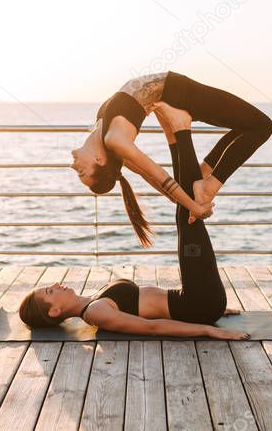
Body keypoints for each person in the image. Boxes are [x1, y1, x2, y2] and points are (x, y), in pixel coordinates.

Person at [20, 104, 249, 339]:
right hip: (198, 305)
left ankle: (207, 130)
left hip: (199, 303)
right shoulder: (95, 313)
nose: (56, 284)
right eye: (50, 291)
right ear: (55, 310)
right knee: (187, 205)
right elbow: (151, 327)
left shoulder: (94, 300)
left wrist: (212, 311)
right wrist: (207, 328)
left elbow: (159, 311)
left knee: (186, 205)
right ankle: (184, 128)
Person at [70, 70, 272, 246]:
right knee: (263, 126)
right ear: (98, 160)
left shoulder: (103, 131)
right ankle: (209, 185)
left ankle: (204, 174)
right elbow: (157, 174)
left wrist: (180, 198)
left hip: (174, 93)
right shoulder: (116, 140)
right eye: (81, 171)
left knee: (248, 127)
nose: (73, 166)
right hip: (180, 92)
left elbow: (153, 179)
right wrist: (194, 206)